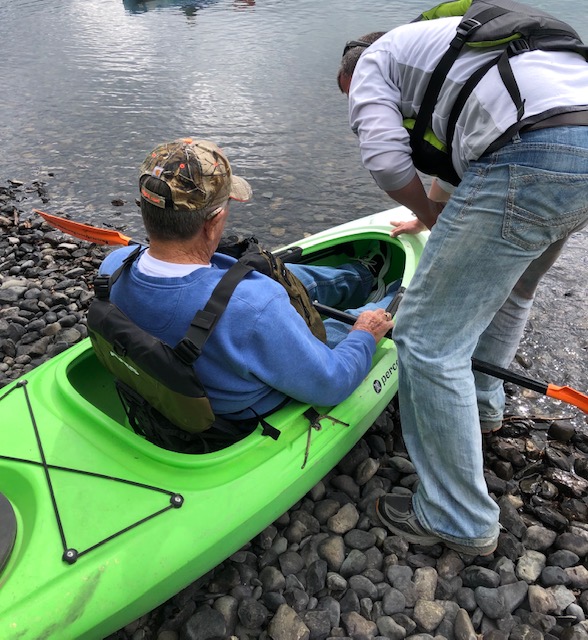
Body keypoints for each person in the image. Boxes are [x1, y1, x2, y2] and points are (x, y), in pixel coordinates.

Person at [338, 16, 588, 556]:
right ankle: (481, 406)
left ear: (355, 68)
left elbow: (385, 158)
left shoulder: (373, 64)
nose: (355, 103)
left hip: (534, 153)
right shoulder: (455, 48)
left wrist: (430, 213)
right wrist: (442, 218)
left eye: (351, 93)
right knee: (517, 284)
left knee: (426, 340)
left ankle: (457, 516)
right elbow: (467, 139)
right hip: (574, 138)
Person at [99, 137, 396, 425]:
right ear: (214, 220)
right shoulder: (254, 306)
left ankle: (362, 274)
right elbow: (333, 383)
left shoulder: (113, 267)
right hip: (242, 405)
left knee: (288, 278)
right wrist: (364, 334)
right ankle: (393, 296)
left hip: (215, 339)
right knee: (351, 325)